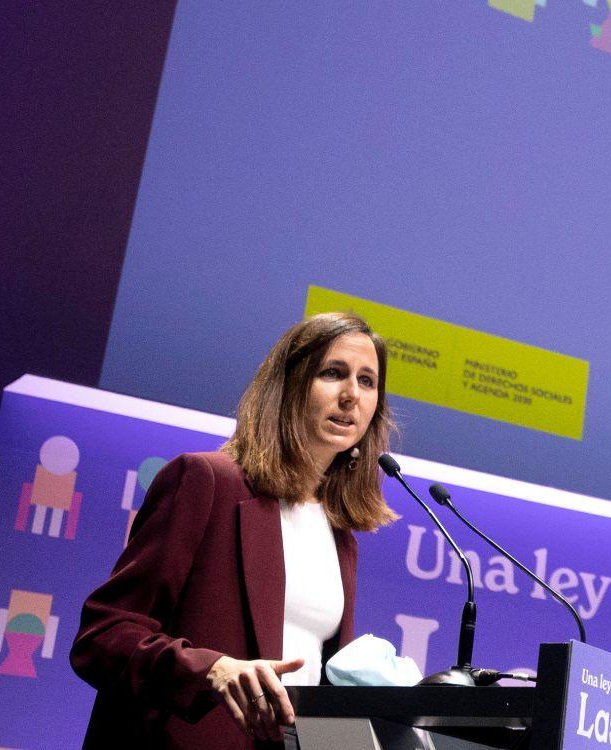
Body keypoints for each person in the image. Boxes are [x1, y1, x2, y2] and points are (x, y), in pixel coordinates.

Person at [70, 312, 398, 748]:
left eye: (367, 381)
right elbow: (103, 636)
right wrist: (213, 670)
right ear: (288, 386)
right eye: (332, 373)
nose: (350, 395)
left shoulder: (341, 538)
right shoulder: (205, 481)